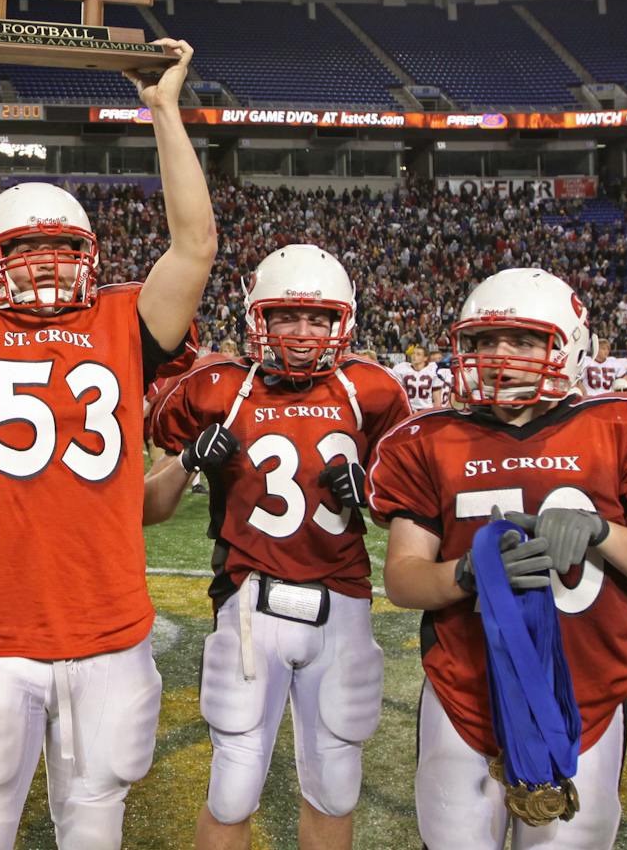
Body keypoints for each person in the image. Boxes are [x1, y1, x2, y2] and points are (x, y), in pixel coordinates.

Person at [0, 27, 213, 850]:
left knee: (94, 826)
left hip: (109, 627)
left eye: (63, 249)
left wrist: (165, 109)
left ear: (91, 256)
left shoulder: (124, 319)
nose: (47, 266)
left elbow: (195, 245)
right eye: (27, 251)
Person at [367, 267, 627, 850]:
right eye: (483, 341)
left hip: (586, 691)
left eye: (524, 340)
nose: (500, 355)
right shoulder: (427, 440)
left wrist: (603, 532)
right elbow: (402, 579)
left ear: (568, 345)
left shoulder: (625, 427)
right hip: (465, 687)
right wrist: (466, 573)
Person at [144, 245, 410, 850]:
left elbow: (417, 520)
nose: (302, 332)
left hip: (342, 601)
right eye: (287, 316)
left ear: (344, 321)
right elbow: (146, 509)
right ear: (256, 317)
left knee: (335, 785)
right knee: (233, 787)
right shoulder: (217, 388)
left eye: (318, 319)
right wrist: (186, 461)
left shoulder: (370, 391)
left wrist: (375, 494)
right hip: (247, 604)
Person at [391, 345, 442, 412]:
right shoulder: (403, 369)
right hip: (409, 410)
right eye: (413, 353)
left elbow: (437, 398)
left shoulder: (432, 370)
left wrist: (436, 414)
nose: (414, 356)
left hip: (426, 410)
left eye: (418, 354)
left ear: (425, 358)